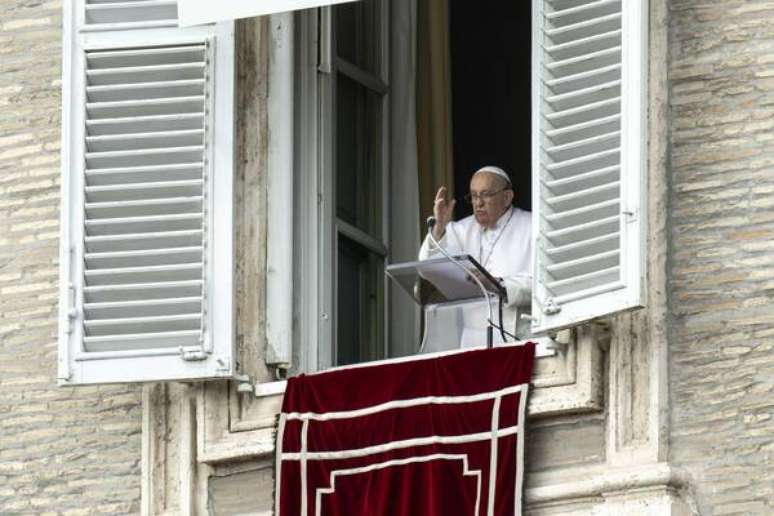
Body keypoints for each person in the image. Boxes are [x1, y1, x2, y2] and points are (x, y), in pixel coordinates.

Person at [419, 165, 532, 347]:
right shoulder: (459, 230)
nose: (478, 203)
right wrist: (439, 227)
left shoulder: (532, 226)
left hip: (519, 337)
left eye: (486, 195)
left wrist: (500, 286)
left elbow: (545, 285)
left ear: (507, 197)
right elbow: (427, 268)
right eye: (473, 195)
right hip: (472, 341)